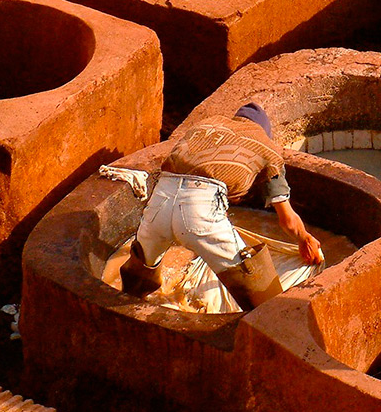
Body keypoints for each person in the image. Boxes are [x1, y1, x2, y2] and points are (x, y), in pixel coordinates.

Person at [120, 102, 323, 310]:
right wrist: (304, 237)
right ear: (265, 131)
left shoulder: (206, 126)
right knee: (261, 294)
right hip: (201, 209)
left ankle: (123, 318)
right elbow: (287, 220)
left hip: (159, 199)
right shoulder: (266, 147)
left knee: (137, 279)